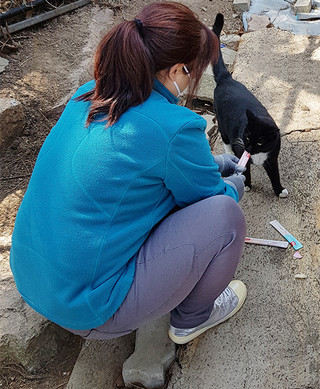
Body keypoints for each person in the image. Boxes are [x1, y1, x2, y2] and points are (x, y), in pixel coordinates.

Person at [9, 1, 248, 345]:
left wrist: (210, 166)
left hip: (33, 275)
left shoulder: (87, 94)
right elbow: (210, 197)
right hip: (87, 307)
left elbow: (134, 167)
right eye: (194, 70)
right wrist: (234, 186)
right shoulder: (176, 127)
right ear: (177, 70)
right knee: (226, 217)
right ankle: (192, 318)